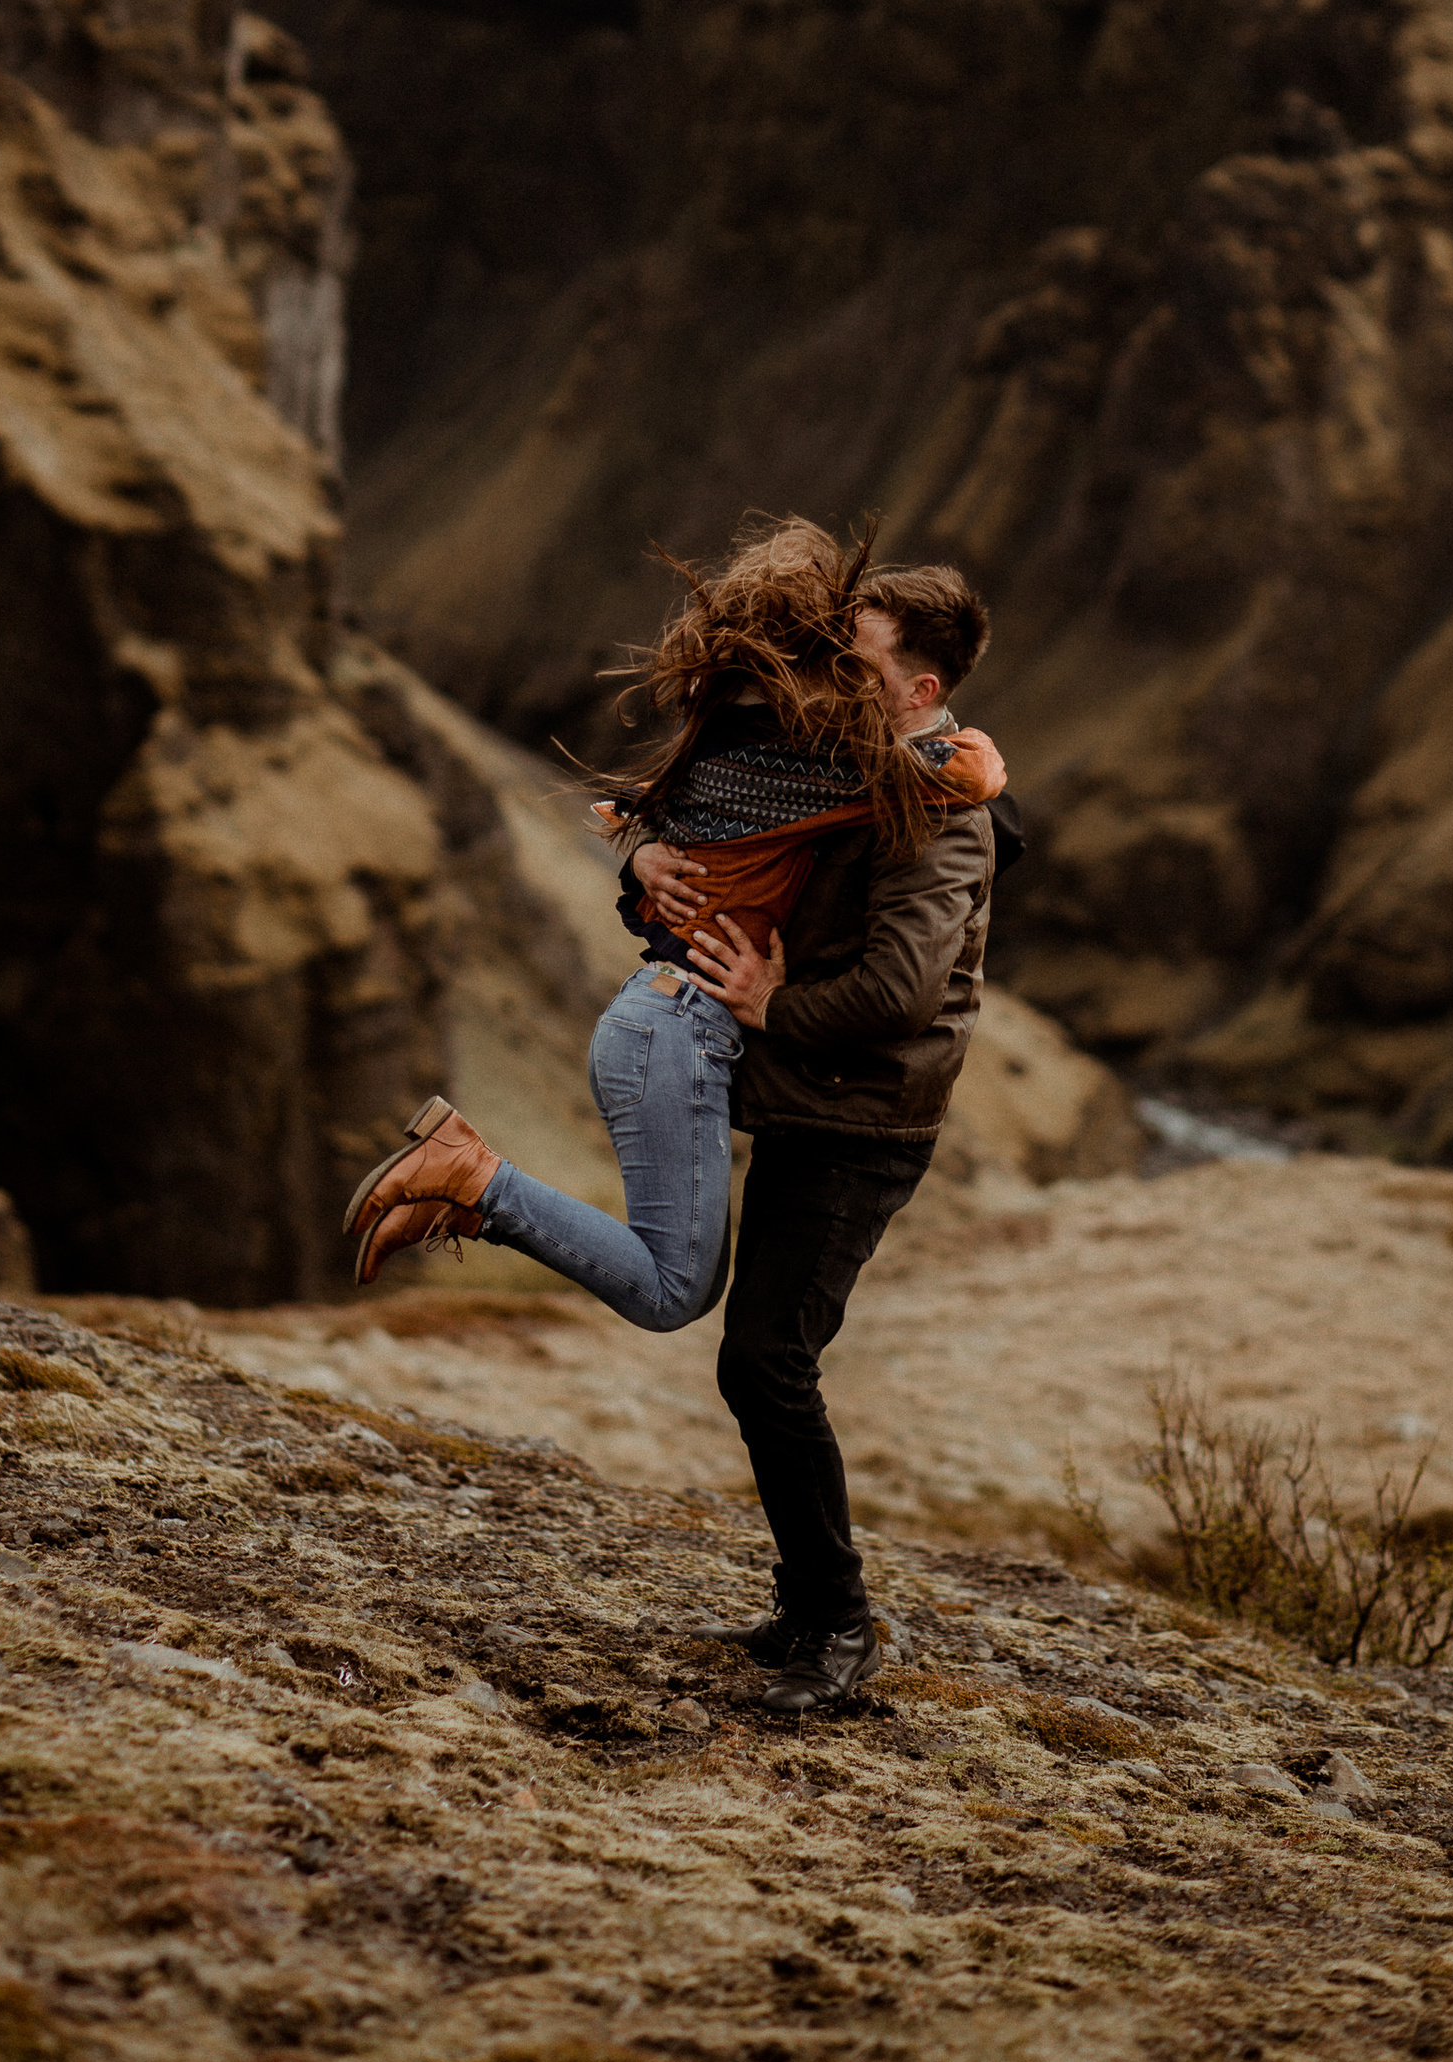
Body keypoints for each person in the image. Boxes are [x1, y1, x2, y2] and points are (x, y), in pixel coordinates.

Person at [340, 517, 1004, 1720]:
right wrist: (643, 857)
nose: (827, 684)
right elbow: (698, 829)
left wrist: (770, 1004)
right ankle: (814, 1612)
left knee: (761, 1359)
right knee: (754, 1355)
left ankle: (832, 1622)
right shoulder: (847, 765)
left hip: (865, 1120)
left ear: (920, 690)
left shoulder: (936, 805)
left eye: (855, 666)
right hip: (806, 1098)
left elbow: (903, 991)